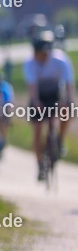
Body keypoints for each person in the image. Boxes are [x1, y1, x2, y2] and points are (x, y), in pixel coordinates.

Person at [24, 30, 75, 180]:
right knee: (38, 130)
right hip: (39, 96)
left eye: (42, 54)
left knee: (67, 110)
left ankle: (59, 139)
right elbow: (32, 86)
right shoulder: (30, 63)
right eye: (37, 54)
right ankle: (40, 163)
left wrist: (68, 100)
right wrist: (36, 102)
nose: (40, 57)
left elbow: (68, 84)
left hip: (55, 95)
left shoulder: (61, 60)